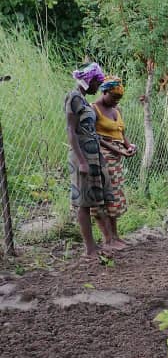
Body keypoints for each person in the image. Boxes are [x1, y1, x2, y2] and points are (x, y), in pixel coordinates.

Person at [65, 62, 117, 258]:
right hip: (82, 157)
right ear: (90, 81)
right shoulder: (74, 98)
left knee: (93, 200)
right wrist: (82, 161)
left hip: (92, 155)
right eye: (97, 82)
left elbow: (92, 133)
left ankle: (97, 244)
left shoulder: (84, 101)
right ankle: (89, 248)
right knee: (83, 203)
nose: (98, 87)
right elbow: (71, 130)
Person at [93, 75, 136, 250]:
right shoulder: (93, 109)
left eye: (118, 98)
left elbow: (121, 133)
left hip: (116, 159)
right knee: (103, 197)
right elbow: (95, 137)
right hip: (102, 158)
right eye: (114, 97)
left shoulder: (116, 110)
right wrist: (118, 150)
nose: (116, 101)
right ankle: (108, 239)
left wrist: (130, 146)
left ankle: (116, 237)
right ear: (104, 91)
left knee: (114, 198)